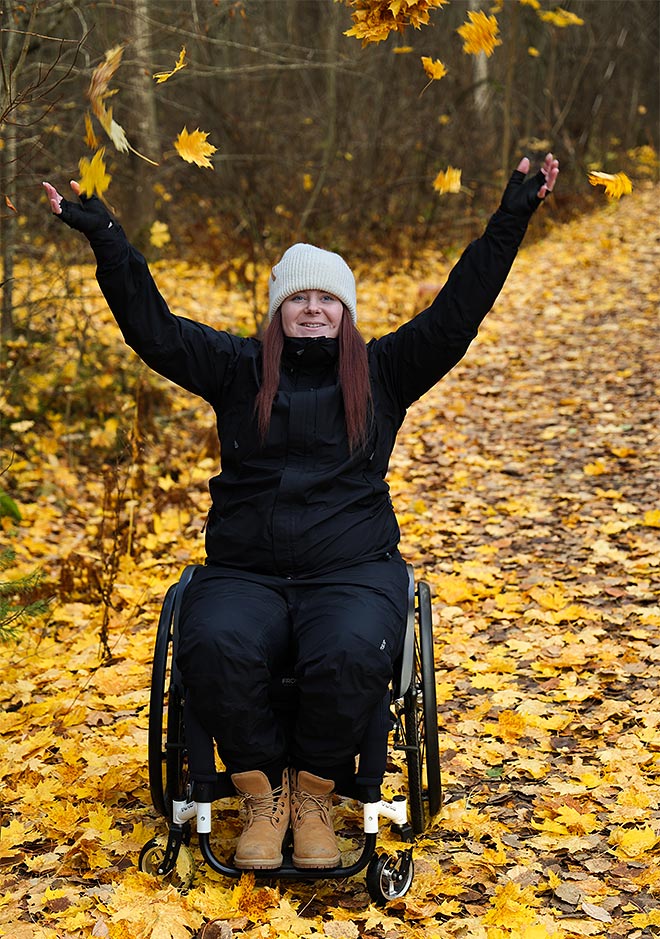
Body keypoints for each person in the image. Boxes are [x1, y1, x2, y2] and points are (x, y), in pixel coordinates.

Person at [43, 152, 559, 871]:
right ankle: (262, 793)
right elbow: (153, 329)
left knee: (352, 650)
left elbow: (457, 310)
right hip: (245, 570)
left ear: (345, 314)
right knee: (213, 643)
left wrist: (513, 215)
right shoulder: (235, 368)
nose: (312, 308)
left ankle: (313, 791)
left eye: (328, 300)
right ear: (278, 311)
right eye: (298, 299)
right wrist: (106, 237)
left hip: (352, 568)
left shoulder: (384, 372)